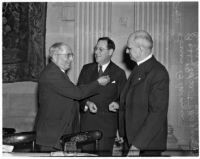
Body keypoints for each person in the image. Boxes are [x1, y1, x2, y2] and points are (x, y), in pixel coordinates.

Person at [35, 42, 110, 152]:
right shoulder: (52, 73)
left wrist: (87, 103)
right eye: (67, 56)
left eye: (71, 55)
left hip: (59, 131)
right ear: (55, 56)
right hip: (52, 134)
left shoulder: (58, 72)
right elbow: (77, 93)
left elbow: (69, 96)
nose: (71, 59)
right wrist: (97, 83)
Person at [120, 30, 169, 156]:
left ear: (140, 49)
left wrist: (137, 145)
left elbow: (157, 113)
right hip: (132, 141)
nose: (126, 51)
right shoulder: (139, 68)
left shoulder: (158, 72)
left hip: (145, 145)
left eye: (129, 48)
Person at [77, 37, 127, 156]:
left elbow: (124, 98)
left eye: (100, 49)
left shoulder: (119, 73)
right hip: (87, 126)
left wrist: (117, 104)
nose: (96, 52)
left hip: (107, 128)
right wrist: (87, 103)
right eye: (96, 48)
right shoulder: (86, 69)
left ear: (110, 52)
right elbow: (78, 92)